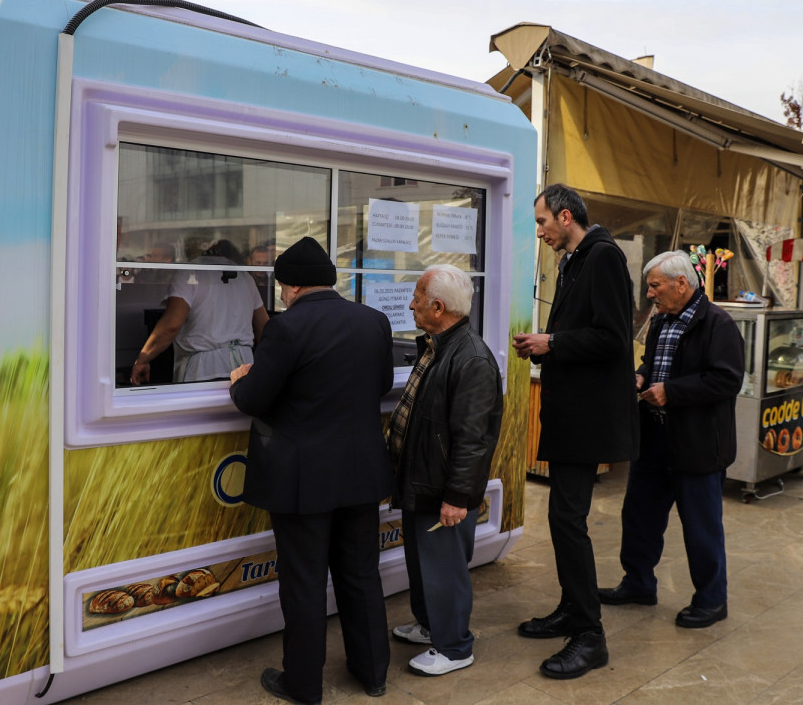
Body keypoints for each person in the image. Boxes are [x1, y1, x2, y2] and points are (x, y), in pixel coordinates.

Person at [228, 236, 394, 704]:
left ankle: (303, 684)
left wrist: (242, 381)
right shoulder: (373, 321)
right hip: (361, 473)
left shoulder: (287, 328)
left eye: (281, 286)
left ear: (292, 286)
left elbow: (256, 399)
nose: (280, 294)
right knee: (361, 574)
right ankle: (373, 672)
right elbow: (380, 385)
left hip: (303, 481)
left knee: (303, 582)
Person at [512, 184, 638, 679]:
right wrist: (549, 344)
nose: (539, 232)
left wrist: (552, 341)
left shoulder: (602, 257)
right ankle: (572, 608)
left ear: (566, 217)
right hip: (573, 416)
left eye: (543, 222)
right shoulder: (576, 259)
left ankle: (590, 635)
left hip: (589, 420)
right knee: (564, 520)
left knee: (568, 520)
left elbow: (613, 338)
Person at [598, 251, 744, 628]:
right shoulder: (662, 320)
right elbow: (654, 362)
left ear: (681, 283)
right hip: (654, 438)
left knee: (700, 526)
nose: (650, 293)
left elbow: (727, 380)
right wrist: (642, 377)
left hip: (697, 445)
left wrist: (672, 392)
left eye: (654, 285)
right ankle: (638, 584)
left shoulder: (718, 324)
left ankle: (712, 601)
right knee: (639, 517)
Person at [387, 264, 503, 676]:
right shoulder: (439, 345)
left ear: (438, 306)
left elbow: (474, 440)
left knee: (445, 569)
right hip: (423, 480)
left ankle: (454, 646)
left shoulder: (471, 359)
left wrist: (457, 497)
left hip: (444, 490)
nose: (412, 302)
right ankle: (430, 626)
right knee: (423, 564)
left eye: (418, 295)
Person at [129, 240, 268, 384]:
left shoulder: (190, 275)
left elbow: (171, 326)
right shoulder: (245, 277)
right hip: (244, 364)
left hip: (203, 368)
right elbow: (263, 327)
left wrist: (143, 359)